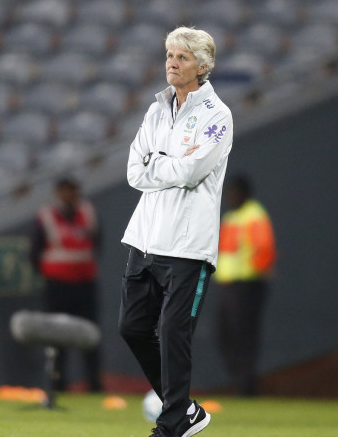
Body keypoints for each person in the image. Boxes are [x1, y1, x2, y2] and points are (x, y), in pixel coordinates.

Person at [119, 26, 233, 437]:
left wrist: (159, 162)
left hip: (187, 244)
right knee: (132, 327)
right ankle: (184, 409)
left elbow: (191, 171)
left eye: (182, 57)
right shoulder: (155, 110)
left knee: (172, 331)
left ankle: (170, 426)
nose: (171, 62)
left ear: (203, 66)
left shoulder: (217, 116)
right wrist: (168, 164)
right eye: (169, 54)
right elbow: (134, 171)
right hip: (145, 236)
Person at [29, 177, 102, 393]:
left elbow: (98, 243)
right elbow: (34, 251)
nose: (70, 196)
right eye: (66, 191)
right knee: (56, 336)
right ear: (58, 193)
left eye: (73, 191)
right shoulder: (46, 216)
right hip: (57, 286)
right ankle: (57, 384)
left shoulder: (88, 213)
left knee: (89, 335)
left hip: (85, 284)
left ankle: (93, 384)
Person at [213, 175, 276, 396]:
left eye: (234, 192)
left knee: (244, 335)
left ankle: (246, 386)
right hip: (229, 285)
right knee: (225, 333)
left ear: (245, 194)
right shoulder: (231, 217)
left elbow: (264, 249)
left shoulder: (254, 215)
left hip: (247, 284)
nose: (230, 197)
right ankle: (241, 379)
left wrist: (253, 271)